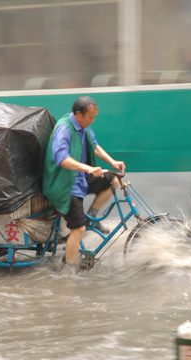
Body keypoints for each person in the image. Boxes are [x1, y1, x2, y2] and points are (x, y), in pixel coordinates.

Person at [43, 96, 125, 264]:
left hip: (78, 178)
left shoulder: (83, 126)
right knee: (78, 228)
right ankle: (70, 270)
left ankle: (91, 218)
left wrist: (112, 162)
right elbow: (62, 159)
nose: (92, 121)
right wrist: (88, 168)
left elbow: (94, 146)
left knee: (113, 180)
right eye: (90, 117)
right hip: (64, 185)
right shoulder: (64, 128)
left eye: (94, 117)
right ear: (78, 114)